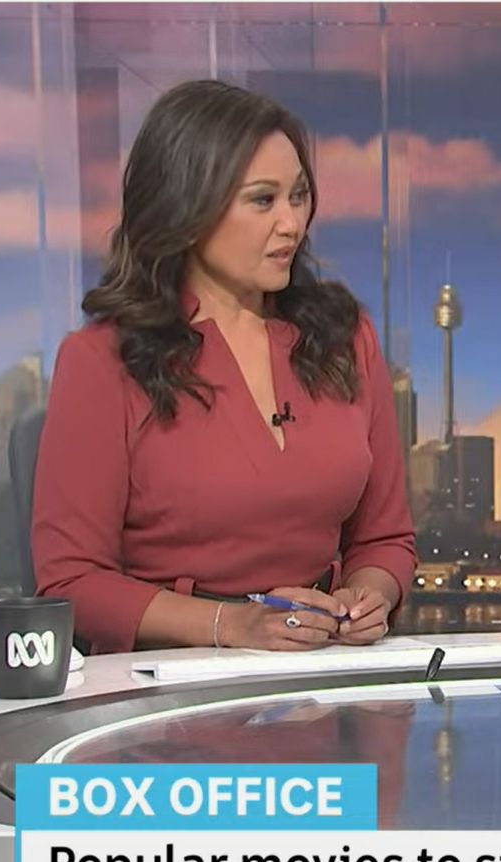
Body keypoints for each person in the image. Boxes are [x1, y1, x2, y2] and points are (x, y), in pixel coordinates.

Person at [33, 80, 417, 653]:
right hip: (172, 681)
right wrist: (230, 626)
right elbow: (71, 581)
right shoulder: (102, 361)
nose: (292, 223)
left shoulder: (344, 338)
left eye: (299, 196)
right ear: (187, 208)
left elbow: (385, 538)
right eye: (263, 200)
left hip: (322, 667)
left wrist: (370, 597)